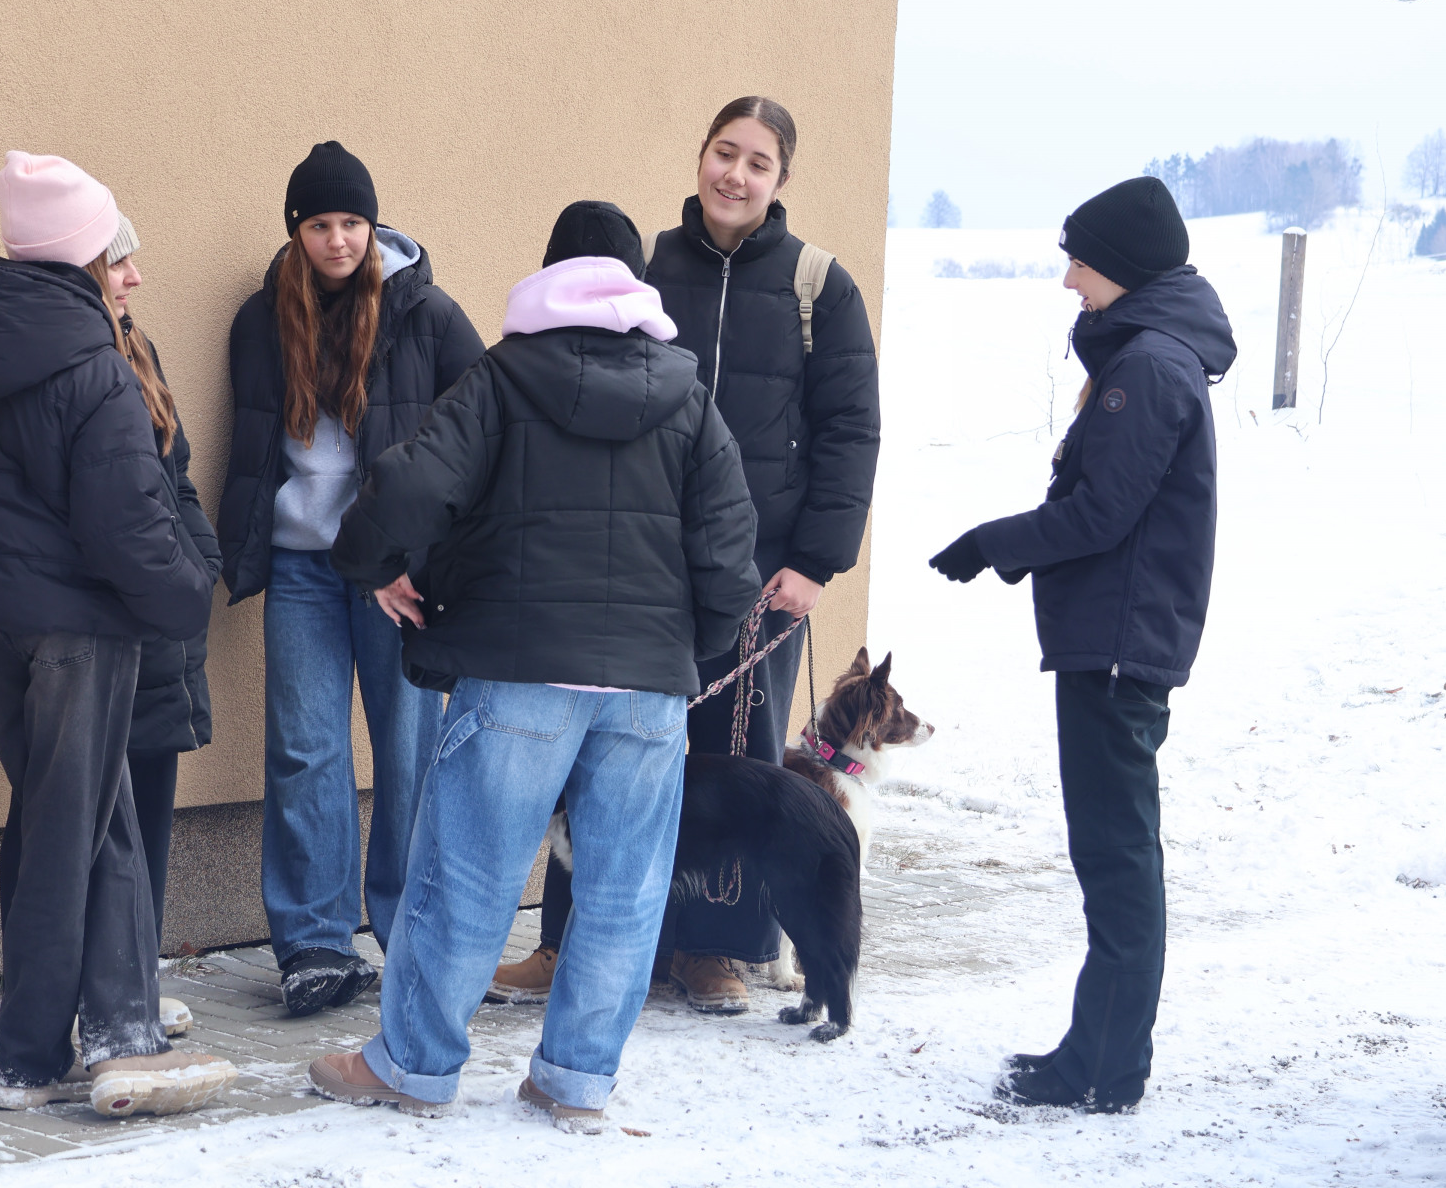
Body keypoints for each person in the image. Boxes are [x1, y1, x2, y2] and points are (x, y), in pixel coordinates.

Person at [307, 201, 760, 1130]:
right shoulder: (688, 394)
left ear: (550, 274)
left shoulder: (502, 377)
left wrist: (373, 567)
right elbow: (729, 550)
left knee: (467, 880)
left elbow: (410, 483)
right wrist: (684, 648)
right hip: (646, 690)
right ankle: (574, 1082)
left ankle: (413, 1067)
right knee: (625, 892)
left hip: (518, 676)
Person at [490, 95, 880, 1016]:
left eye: (757, 162)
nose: (734, 175)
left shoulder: (818, 285)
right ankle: (567, 942)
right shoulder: (650, 268)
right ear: (701, 155)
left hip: (762, 575)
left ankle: (715, 951)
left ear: (782, 179)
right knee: (603, 749)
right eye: (723, 152)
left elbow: (851, 429)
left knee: (734, 755)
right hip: (641, 559)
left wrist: (815, 561)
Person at [0, 151, 236, 1116]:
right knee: (72, 832)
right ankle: (40, 1059)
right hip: (81, 632)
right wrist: (190, 597)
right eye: (117, 258)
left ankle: (110, 1039)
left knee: (90, 820)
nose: (134, 277)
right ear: (80, 259)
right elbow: (130, 522)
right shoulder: (92, 365)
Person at [928, 175, 1236, 1113]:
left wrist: (994, 544)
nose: (1070, 281)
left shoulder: (1150, 367)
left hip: (1117, 645)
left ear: (1125, 268)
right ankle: (1101, 1054)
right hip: (1117, 638)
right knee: (1115, 855)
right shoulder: (1154, 355)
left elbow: (1102, 512)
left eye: (1082, 263)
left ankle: (1102, 1067)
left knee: (1116, 858)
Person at [217, 142, 484, 1017]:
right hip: (303, 565)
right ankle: (315, 945)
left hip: (394, 570)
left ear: (373, 227)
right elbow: (255, 447)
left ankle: (411, 934)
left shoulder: (428, 314)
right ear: (296, 231)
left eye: (352, 224)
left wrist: (440, 552)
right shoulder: (261, 320)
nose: (337, 240)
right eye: (319, 225)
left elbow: (481, 434)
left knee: (408, 751)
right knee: (305, 750)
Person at [0, 213, 221, 1042]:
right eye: (117, 262)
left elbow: (172, 472)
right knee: (61, 805)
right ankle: (46, 992)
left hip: (153, 603)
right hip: (99, 608)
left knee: (145, 792)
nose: (133, 277)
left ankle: (132, 981)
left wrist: (200, 559)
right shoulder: (61, 358)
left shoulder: (136, 347)